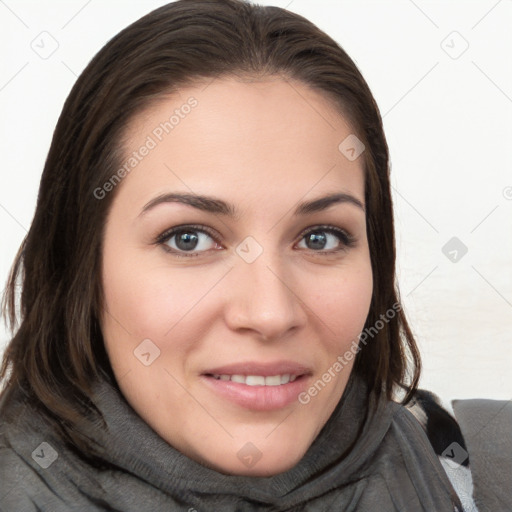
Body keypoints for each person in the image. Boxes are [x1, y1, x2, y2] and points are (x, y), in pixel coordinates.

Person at [0, 1, 509, 510]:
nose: (270, 313)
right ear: (80, 267)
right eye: (189, 239)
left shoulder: (483, 467)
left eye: (320, 238)